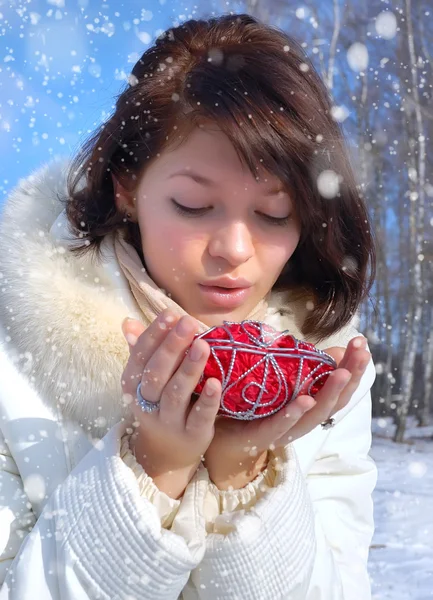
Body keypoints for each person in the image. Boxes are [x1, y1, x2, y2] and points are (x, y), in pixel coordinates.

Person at [0, 12, 377, 600]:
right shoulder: (13, 346)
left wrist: (244, 470)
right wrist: (154, 467)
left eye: (274, 215)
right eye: (194, 205)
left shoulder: (322, 368)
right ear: (128, 186)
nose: (233, 249)